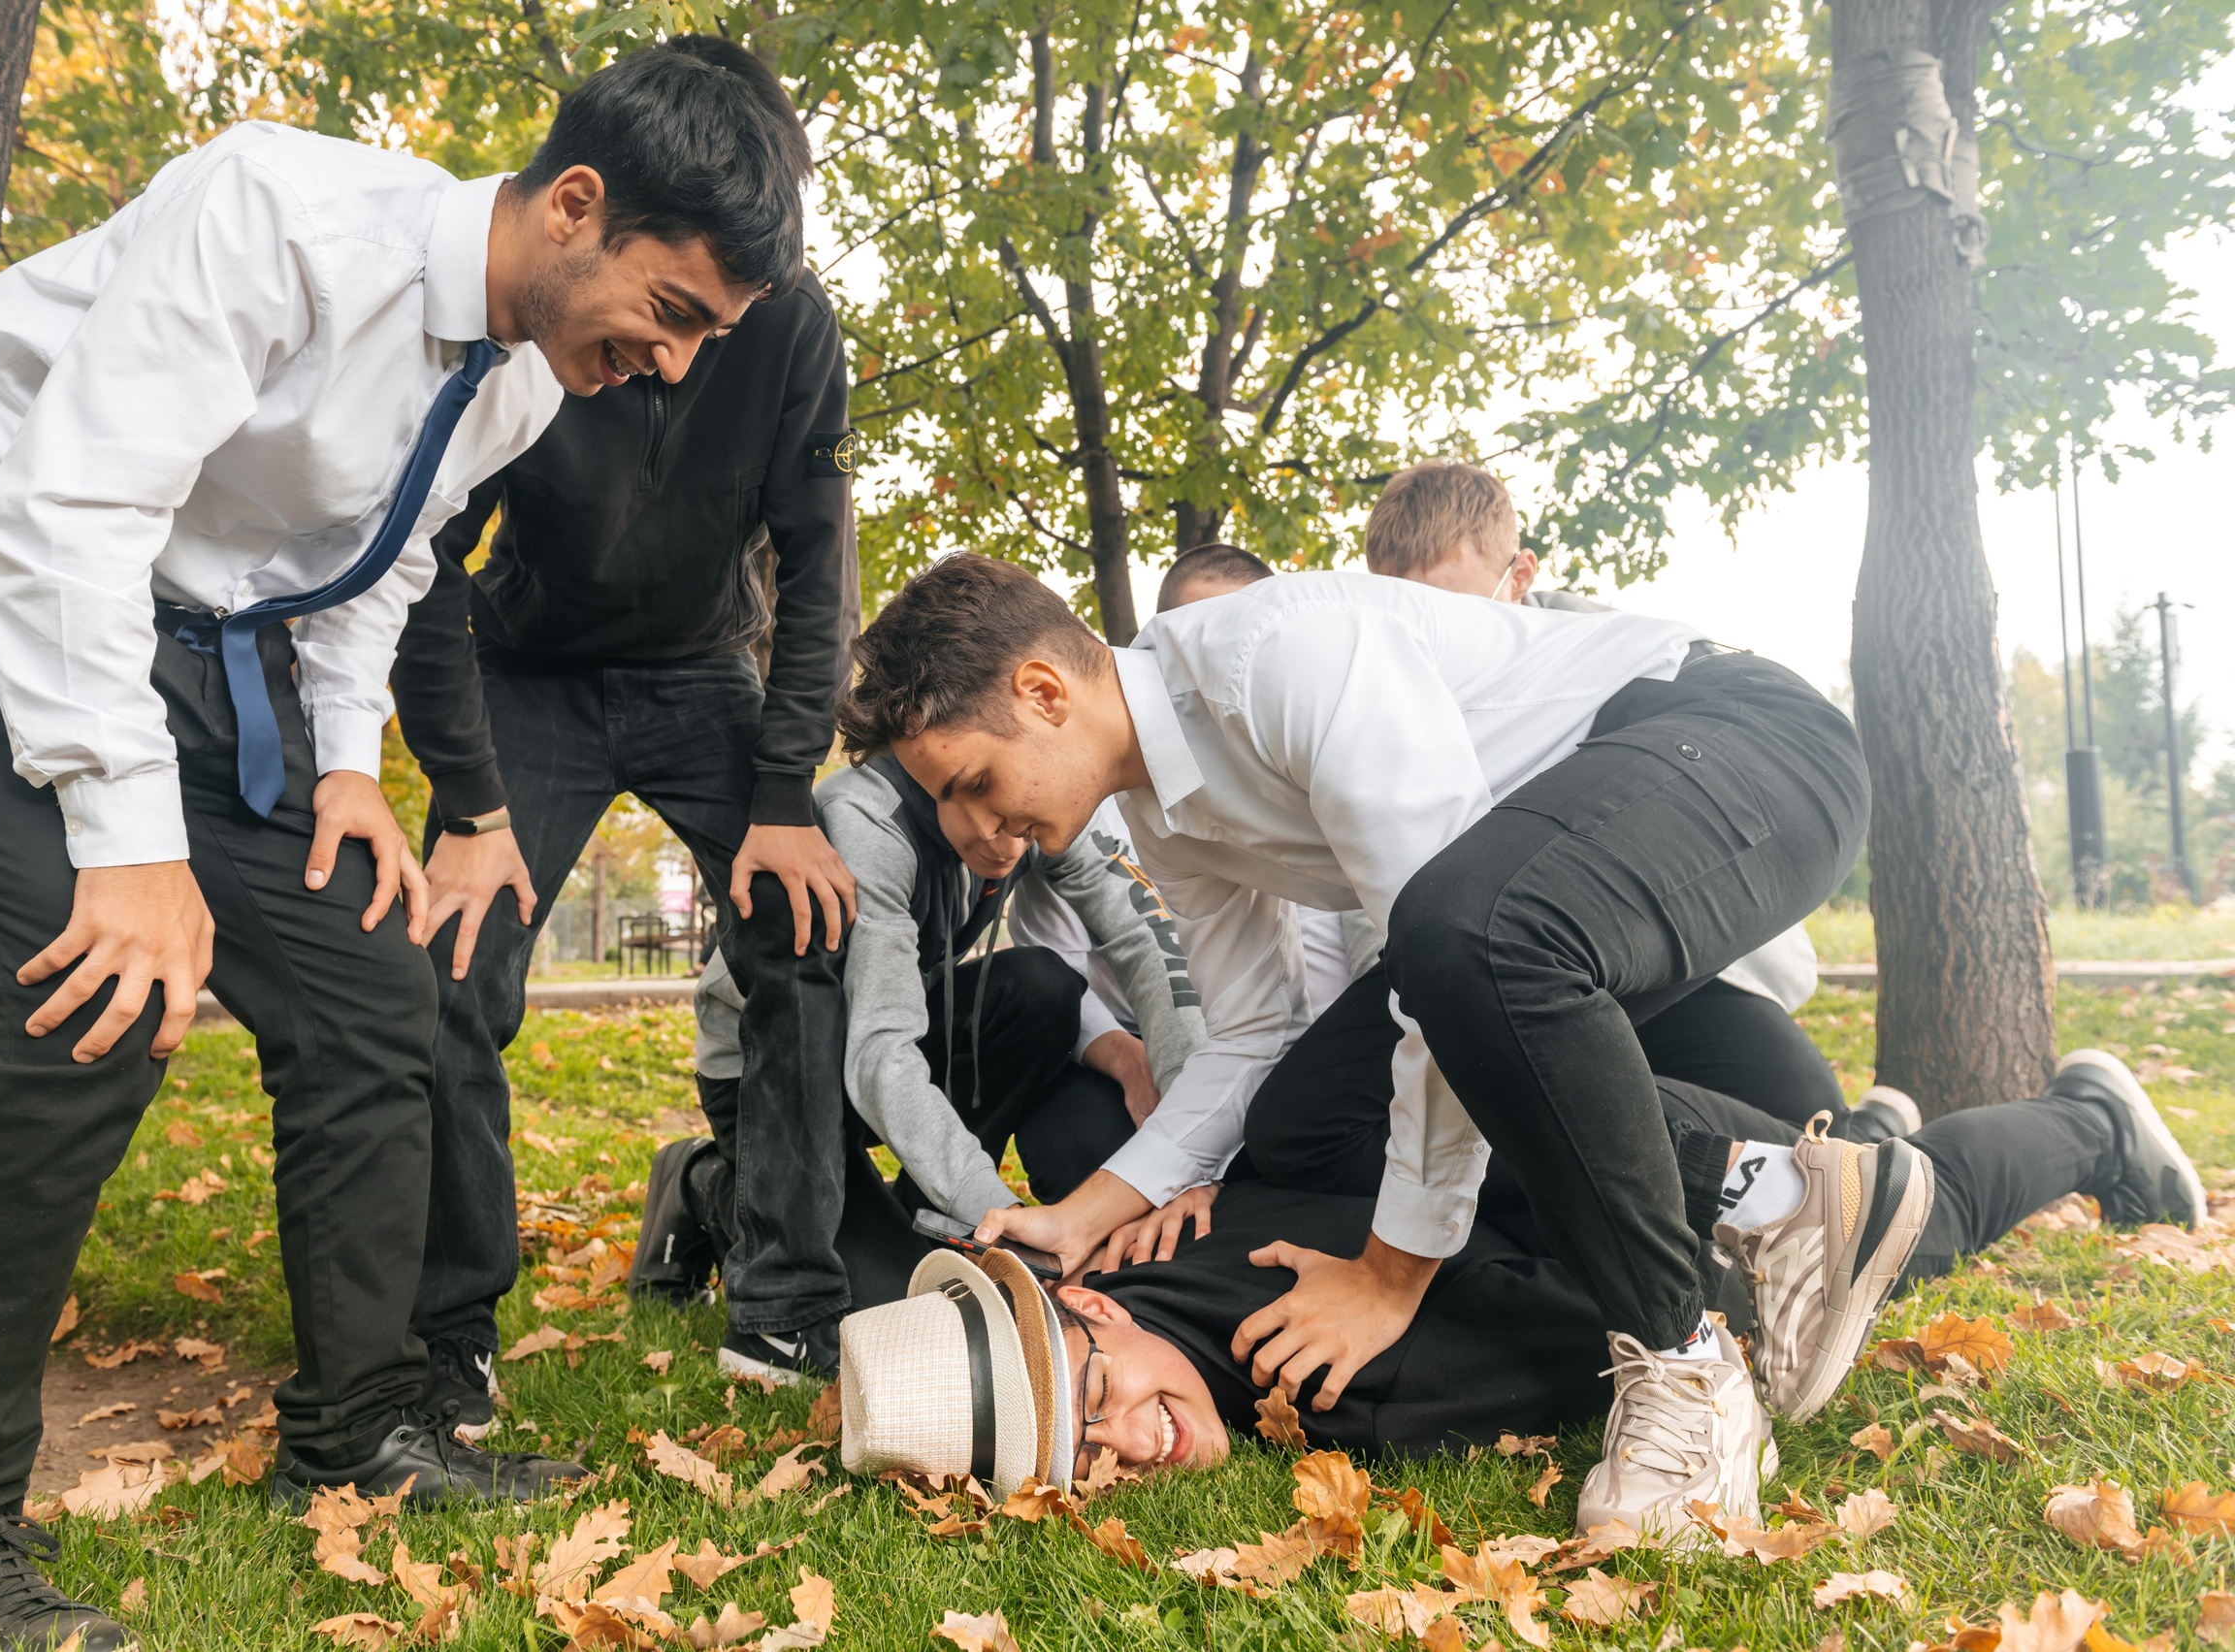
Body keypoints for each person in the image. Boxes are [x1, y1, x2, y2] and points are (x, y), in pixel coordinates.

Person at [0, 41, 807, 1647]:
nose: (675, 362)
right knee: (83, 1014)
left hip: (193, 643)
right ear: (574, 204)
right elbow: (74, 508)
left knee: (376, 990)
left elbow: (378, 566)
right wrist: (127, 839)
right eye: (673, 309)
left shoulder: (521, 379)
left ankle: (361, 1432)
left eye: (709, 335)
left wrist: (347, 771)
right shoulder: (280, 214)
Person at [833, 552, 1923, 1539]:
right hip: (1563, 891)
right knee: (1302, 1104)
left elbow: (1452, 960)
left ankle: (1687, 1364)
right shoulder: (1167, 813)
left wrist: (1392, 1273)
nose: (975, 824)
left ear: (1041, 691)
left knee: (1450, 935)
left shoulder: (1278, 657)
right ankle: (1774, 1191)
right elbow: (1251, 1030)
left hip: (1744, 751)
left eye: (974, 781)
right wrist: (1087, 1209)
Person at [390, 41, 854, 1410]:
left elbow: (817, 563)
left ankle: (787, 1305)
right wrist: (470, 795)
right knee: (453, 960)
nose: (681, 344)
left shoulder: (789, 329)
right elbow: (426, 558)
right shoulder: (530, 308)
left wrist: (787, 788)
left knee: (805, 935)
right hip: (529, 673)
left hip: (703, 673)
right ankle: (448, 1324)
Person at [838, 1049, 2204, 1479]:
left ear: (1083, 1298)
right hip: (1605, 1148)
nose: (1136, 1440)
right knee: (1892, 1194)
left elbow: (1582, 1338)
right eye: (1084, 1459)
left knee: (1919, 1229)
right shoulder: (1172, 1280)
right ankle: (1864, 1137)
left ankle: (2091, 1119)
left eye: (1099, 1396)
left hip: (1632, 1179)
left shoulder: (1298, 1351)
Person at [1360, 460, 1915, 1139]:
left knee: (1811, 1127)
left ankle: (1881, 1131)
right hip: (1526, 974)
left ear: (1521, 574)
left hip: (1674, 956)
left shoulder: (1620, 657)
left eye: (1455, 611)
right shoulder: (1385, 694)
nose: (1431, 641)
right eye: (1406, 615)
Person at [642, 760, 1206, 1379]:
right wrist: (1005, 1220)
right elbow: (879, 1055)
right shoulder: (866, 818)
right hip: (778, 1069)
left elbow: (1145, 944)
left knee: (1040, 989)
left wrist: (1190, 1141)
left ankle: (923, 1217)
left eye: (1024, 826)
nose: (1005, 842)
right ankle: (702, 1180)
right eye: (985, 804)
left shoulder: (1043, 781)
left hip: (887, 1029)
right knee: (890, 1314)